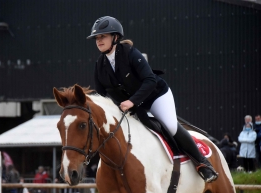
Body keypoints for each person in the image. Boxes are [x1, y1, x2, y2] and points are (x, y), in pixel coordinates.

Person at [87, 16, 218, 183]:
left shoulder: (131, 54)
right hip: (133, 106)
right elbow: (101, 96)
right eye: (97, 38)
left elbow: (150, 80)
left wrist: (131, 101)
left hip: (155, 95)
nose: (99, 40)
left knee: (170, 125)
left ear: (115, 37)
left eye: (103, 36)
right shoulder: (100, 65)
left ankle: (203, 164)